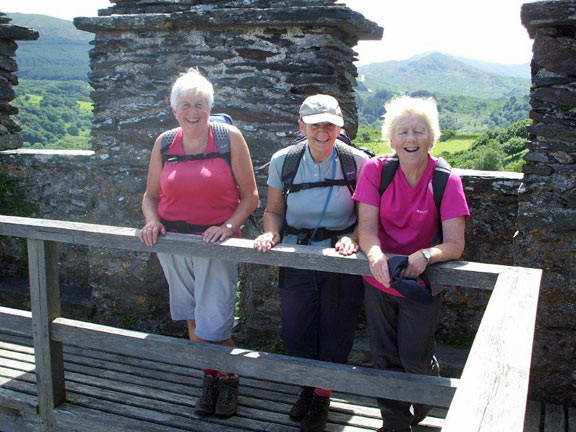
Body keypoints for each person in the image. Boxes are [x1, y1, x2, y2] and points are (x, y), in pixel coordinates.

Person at [138, 68, 258, 419]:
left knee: (216, 318)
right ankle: (210, 378)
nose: (193, 111)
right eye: (186, 105)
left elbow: (250, 196)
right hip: (174, 243)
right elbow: (149, 196)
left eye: (200, 104)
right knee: (192, 315)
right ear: (175, 110)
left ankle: (228, 379)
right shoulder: (164, 143)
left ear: (210, 107)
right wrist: (151, 221)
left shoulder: (228, 137)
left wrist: (228, 226)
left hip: (216, 244)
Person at [353, 95, 470, 432]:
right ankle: (394, 422)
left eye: (419, 131)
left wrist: (427, 254)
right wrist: (374, 254)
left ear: (431, 138)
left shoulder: (446, 179)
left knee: (415, 358)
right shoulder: (376, 170)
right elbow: (367, 228)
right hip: (380, 279)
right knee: (384, 356)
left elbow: (455, 244)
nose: (410, 139)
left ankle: (426, 396)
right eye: (402, 132)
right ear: (391, 138)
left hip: (421, 283)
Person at [254, 94, 368, 432]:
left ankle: (321, 395)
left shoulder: (357, 163)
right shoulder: (283, 161)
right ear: (301, 125)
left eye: (330, 124)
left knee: (336, 330)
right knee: (297, 330)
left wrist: (355, 239)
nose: (323, 131)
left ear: (339, 127)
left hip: (341, 258)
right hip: (297, 255)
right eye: (315, 124)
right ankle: (307, 387)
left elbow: (367, 216)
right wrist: (272, 234)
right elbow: (273, 210)